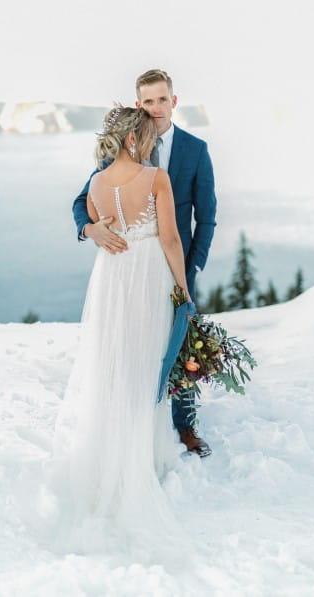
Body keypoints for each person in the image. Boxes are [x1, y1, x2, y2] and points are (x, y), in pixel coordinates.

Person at [54, 106, 191, 558]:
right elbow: (171, 238)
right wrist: (184, 290)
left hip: (112, 274)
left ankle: (112, 455)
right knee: (147, 359)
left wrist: (97, 228)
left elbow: (97, 219)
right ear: (134, 139)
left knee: (115, 362)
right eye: (149, 137)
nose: (153, 144)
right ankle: (142, 461)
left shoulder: (96, 182)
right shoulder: (156, 179)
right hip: (149, 272)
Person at [72, 69, 217, 457]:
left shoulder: (195, 149)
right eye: (148, 101)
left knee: (181, 344)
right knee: (133, 342)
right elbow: (82, 200)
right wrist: (91, 230)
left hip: (176, 264)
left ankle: (185, 426)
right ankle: (134, 418)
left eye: (161, 99)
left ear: (174, 100)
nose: (155, 107)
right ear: (139, 105)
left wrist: (193, 267)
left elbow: (206, 216)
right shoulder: (123, 149)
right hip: (130, 265)